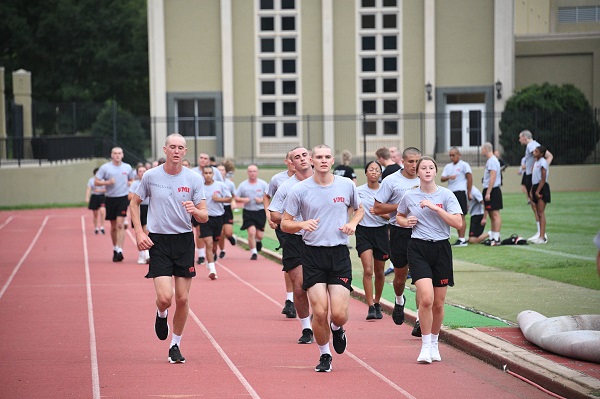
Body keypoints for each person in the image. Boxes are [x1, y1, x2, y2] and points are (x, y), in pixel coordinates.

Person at [281, 144, 363, 373]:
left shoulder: (346, 185)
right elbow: (285, 223)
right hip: (312, 254)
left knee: (338, 313)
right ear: (312, 161)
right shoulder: (300, 190)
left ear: (333, 160)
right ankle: (324, 355)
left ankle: (337, 328)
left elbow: (360, 209)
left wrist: (352, 224)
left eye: (327, 156)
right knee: (319, 311)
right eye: (319, 157)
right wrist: (301, 224)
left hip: (338, 253)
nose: (323, 160)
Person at [130, 133, 208, 364]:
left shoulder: (193, 179)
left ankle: (175, 345)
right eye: (172, 147)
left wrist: (194, 210)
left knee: (182, 299)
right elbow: (134, 202)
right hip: (159, 241)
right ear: (165, 149)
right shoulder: (151, 176)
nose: (176, 151)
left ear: (185, 152)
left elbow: (204, 216)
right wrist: (139, 233)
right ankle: (161, 313)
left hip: (184, 240)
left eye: (180, 147)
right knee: (165, 298)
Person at [396, 156, 462, 363]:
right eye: (422, 167)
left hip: (441, 248)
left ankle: (434, 342)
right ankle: (425, 346)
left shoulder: (446, 194)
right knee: (426, 299)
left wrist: (436, 208)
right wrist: (406, 222)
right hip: (418, 248)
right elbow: (399, 216)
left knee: (439, 304)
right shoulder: (410, 195)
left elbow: (458, 223)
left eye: (430, 167)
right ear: (417, 172)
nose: (426, 170)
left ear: (435, 171)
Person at [269, 146, 315, 344]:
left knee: (320, 287)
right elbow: (274, 214)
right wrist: (293, 221)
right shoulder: (287, 186)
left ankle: (324, 319)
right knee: (299, 287)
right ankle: (306, 328)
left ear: (311, 158)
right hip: (295, 239)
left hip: (320, 239)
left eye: (305, 155)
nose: (302, 159)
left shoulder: (325, 182)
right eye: (297, 157)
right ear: (291, 163)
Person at [373, 147, 421, 328]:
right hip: (399, 232)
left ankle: (419, 320)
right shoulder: (391, 181)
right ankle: (399, 300)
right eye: (410, 161)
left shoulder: (425, 178)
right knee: (400, 278)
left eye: (417, 161)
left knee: (420, 277)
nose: (414, 166)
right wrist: (400, 206)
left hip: (421, 233)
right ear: (402, 161)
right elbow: (377, 208)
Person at [356, 161, 390, 320]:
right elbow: (351, 208)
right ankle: (370, 306)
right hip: (363, 231)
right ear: (366, 172)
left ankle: (377, 303)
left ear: (381, 173)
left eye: (377, 170)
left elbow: (393, 215)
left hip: (381, 232)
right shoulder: (358, 191)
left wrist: (379, 213)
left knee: (379, 271)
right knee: (368, 270)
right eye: (371, 169)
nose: (374, 172)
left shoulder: (386, 191)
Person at [264, 151, 296, 318]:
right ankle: (290, 300)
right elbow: (267, 196)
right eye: (292, 159)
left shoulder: (309, 178)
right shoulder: (278, 180)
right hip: (284, 224)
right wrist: (269, 216)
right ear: (286, 162)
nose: (294, 162)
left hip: (305, 227)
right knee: (289, 260)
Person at [95, 147, 135, 262]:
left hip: (123, 198)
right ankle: (115, 248)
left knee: (119, 224)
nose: (117, 155)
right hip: (110, 198)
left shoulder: (127, 167)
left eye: (119, 153)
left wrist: (130, 183)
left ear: (122, 155)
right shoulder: (105, 168)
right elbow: (96, 181)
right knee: (113, 227)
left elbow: (131, 180)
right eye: (115, 153)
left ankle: (120, 250)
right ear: (111, 155)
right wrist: (107, 182)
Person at [519, 130, 553, 241]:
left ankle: (541, 233)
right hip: (531, 177)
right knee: (535, 206)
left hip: (531, 177)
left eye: (520, 138)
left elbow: (548, 156)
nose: (519, 140)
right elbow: (549, 156)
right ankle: (540, 232)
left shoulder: (531, 145)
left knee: (536, 207)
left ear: (525, 137)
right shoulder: (533, 146)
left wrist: (541, 167)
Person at [199, 165, 232, 278]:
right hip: (205, 219)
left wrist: (218, 199)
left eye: (210, 173)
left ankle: (212, 258)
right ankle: (213, 270)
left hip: (218, 218)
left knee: (213, 246)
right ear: (203, 174)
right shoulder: (199, 187)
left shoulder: (220, 185)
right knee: (208, 243)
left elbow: (229, 198)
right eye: (206, 173)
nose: (208, 175)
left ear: (213, 174)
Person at [235, 165, 268, 260]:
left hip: (260, 212)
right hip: (248, 212)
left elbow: (269, 196)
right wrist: (243, 199)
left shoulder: (263, 184)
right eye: (250, 171)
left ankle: (258, 241)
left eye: (254, 171)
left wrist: (261, 200)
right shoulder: (243, 185)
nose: (252, 173)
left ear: (257, 172)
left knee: (259, 235)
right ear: (247, 173)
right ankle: (254, 252)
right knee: (251, 232)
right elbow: (236, 197)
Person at [441, 147, 472, 246]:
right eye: (450, 155)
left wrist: (469, 192)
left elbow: (469, 178)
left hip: (460, 192)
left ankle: (462, 239)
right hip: (451, 192)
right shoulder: (448, 166)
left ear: (459, 155)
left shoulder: (464, 165)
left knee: (461, 215)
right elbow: (442, 178)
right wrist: (449, 177)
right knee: (450, 215)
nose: (451, 157)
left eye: (453, 155)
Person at [481, 142, 502, 246]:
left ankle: (496, 237)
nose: (481, 151)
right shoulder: (491, 160)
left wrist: (488, 192)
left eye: (482, 149)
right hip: (489, 189)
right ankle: (493, 237)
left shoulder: (492, 161)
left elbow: (493, 177)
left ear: (486, 149)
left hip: (493, 189)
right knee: (491, 214)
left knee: (495, 214)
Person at [529, 145, 551, 244]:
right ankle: (540, 235)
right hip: (535, 187)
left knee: (541, 212)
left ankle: (542, 237)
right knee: (538, 212)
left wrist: (538, 191)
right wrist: (531, 190)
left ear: (541, 154)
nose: (534, 153)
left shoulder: (543, 162)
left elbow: (543, 178)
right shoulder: (536, 162)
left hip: (542, 188)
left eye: (536, 151)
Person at [128, 165, 150, 264]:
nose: (142, 173)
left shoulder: (150, 182)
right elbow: (130, 196)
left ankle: (148, 254)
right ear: (137, 174)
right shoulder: (135, 184)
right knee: (139, 232)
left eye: (144, 171)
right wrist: (140, 195)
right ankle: (141, 255)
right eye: (140, 171)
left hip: (148, 208)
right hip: (138, 208)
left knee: (147, 231)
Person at [216, 164, 237, 259]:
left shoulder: (230, 184)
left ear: (225, 172)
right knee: (220, 233)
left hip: (227, 209)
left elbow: (233, 196)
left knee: (228, 232)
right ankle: (222, 250)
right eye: (219, 170)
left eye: (222, 170)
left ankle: (230, 237)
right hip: (217, 209)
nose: (221, 172)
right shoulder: (213, 183)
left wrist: (233, 202)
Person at [86, 167, 106, 235]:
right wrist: (87, 197)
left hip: (102, 197)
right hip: (94, 197)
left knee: (103, 211)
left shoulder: (104, 180)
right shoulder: (91, 180)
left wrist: (99, 190)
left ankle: (102, 227)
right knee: (95, 214)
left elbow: (107, 189)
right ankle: (96, 227)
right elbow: (89, 189)